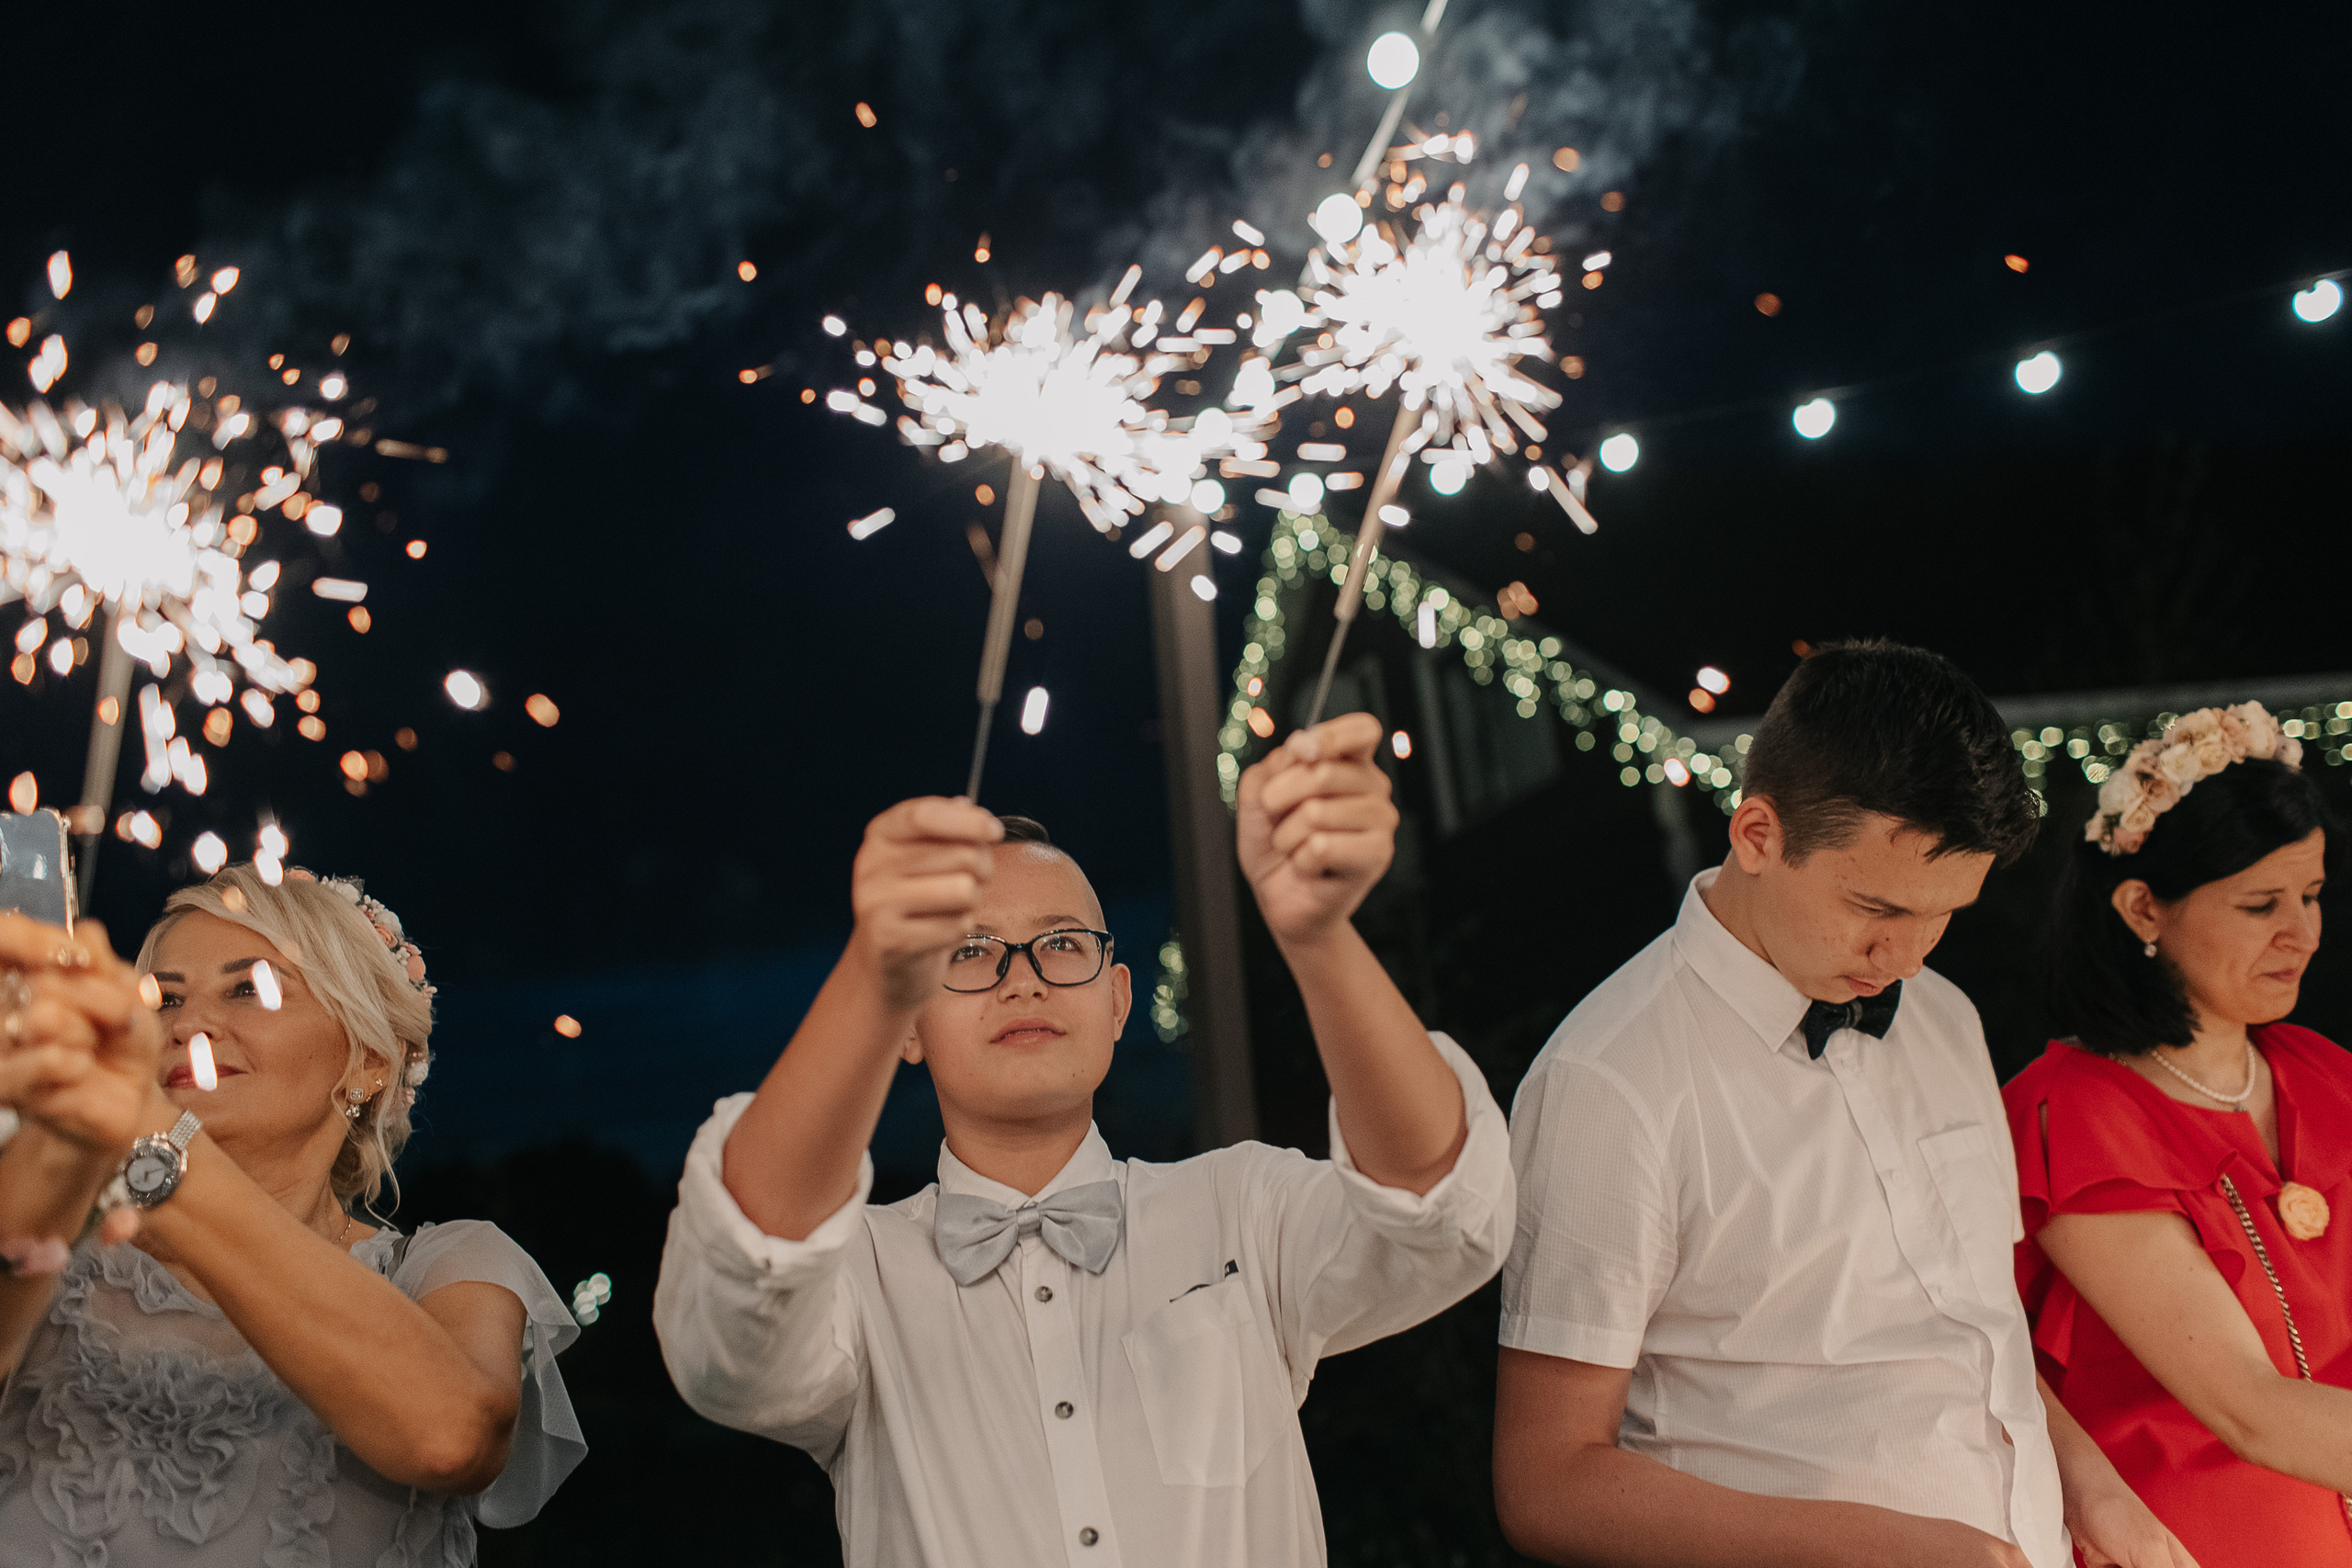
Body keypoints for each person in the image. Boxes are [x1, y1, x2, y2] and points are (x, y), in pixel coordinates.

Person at [654, 712, 1513, 1567]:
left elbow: (1443, 1212)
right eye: (970, 951)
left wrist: (1319, 935)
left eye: (1062, 944)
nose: (1022, 978)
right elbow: (729, 1335)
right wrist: (872, 977)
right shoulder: (860, 1273)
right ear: (908, 1024)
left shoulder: (1241, 1205)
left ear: (1117, 999)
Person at [1491, 638, 2190, 1568]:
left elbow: (1971, 1330)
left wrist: (2098, 1494)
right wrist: (1872, 1547)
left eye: (1944, 915)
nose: (1906, 957)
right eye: (1878, 909)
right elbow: (1546, 1484)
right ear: (1757, 835)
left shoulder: (1944, 1018)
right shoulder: (1608, 1083)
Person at [0, 864, 586, 1566]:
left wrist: (154, 1151)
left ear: (370, 1059)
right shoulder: (54, 1247)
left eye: (249, 988)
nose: (188, 1022)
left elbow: (451, 1437)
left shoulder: (452, 1265)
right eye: (165, 997)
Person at [2007, 703, 2346, 1567]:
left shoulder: (2321, 1071)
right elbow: (2248, 1405)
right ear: (2142, 908)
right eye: (2260, 903)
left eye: (2310, 895)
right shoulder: (2075, 1111)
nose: (2301, 934)